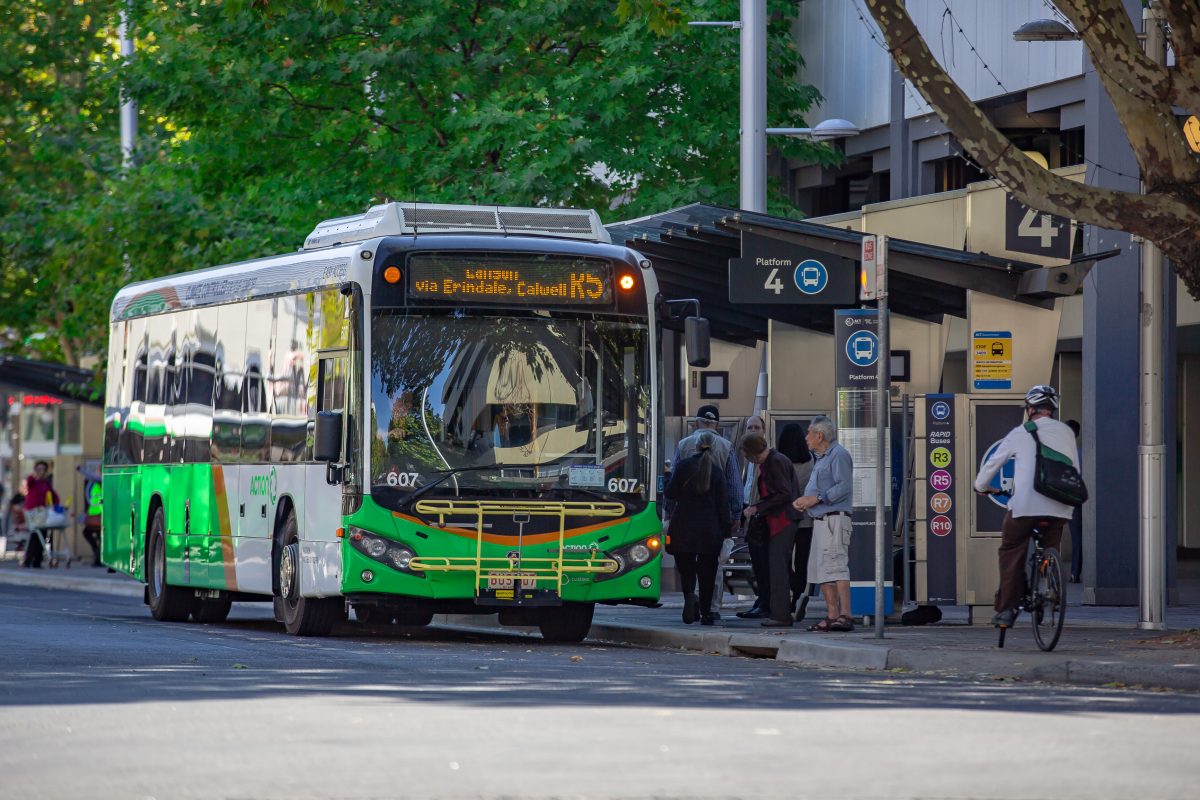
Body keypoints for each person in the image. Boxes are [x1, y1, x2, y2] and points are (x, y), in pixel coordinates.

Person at [974, 385, 1080, 626]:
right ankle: (1052, 581)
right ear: (1052, 409)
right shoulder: (1066, 433)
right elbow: (1075, 470)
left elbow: (992, 465)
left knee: (1011, 550)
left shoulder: (1021, 432)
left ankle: (1007, 610)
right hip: (1060, 504)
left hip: (1025, 506)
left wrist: (980, 487)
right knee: (1051, 540)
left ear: (1030, 409)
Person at [672, 404, 743, 619]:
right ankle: (710, 609)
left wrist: (668, 514)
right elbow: (733, 487)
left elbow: (671, 488)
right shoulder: (726, 447)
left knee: (687, 565)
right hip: (712, 523)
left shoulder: (683, 446)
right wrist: (734, 517)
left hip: (684, 521)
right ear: (717, 425)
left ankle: (689, 597)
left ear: (696, 423)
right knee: (712, 569)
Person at [792, 416, 855, 632]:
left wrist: (816, 498)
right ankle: (832, 615)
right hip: (820, 520)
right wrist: (806, 501)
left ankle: (846, 615)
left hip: (834, 519)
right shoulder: (821, 458)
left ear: (820, 435)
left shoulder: (838, 455)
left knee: (837, 567)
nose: (806, 437)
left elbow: (844, 486)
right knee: (823, 571)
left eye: (809, 433)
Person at [663, 431, 731, 626]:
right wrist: (727, 531)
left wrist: (668, 475)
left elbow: (670, 493)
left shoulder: (684, 466)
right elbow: (723, 505)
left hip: (683, 528)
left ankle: (689, 598)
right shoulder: (717, 472)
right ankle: (706, 613)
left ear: (695, 446)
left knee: (687, 570)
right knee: (708, 572)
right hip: (710, 531)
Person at [740, 433, 800, 628]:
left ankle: (781, 615)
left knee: (778, 569)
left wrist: (757, 507)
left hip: (781, 521)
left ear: (752, 455)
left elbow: (784, 494)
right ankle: (779, 612)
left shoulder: (775, 462)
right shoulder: (775, 460)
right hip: (779, 521)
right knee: (776, 568)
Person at [734, 415, 772, 620]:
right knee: (756, 563)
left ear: (764, 431)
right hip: (749, 512)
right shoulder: (744, 457)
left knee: (764, 562)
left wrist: (756, 508)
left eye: (756, 427)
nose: (753, 430)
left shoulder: (768, 457)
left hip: (761, 515)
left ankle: (766, 601)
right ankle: (762, 599)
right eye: (749, 427)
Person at [777, 423, 815, 622]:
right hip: (807, 518)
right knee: (802, 561)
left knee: (782, 559)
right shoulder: (811, 461)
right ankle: (799, 595)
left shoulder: (781, 461)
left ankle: (791, 591)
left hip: (785, 518)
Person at [21, 461, 57, 569]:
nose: (41, 472)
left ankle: (37, 560)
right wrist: (35, 475)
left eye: (43, 469)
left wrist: (57, 506)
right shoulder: (33, 481)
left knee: (43, 535)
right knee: (35, 535)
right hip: (33, 514)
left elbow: (54, 496)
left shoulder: (45, 484)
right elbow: (29, 482)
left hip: (42, 514)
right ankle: (28, 560)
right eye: (38, 469)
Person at [1066, 419, 1083, 583]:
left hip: (1068, 499)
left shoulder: (1062, 454)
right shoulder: (1083, 453)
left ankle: (1074, 573)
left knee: (1076, 536)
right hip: (1084, 498)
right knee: (1081, 537)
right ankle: (1075, 572)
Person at [79, 465, 103, 567]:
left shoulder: (101, 481)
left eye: (98, 470)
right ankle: (97, 556)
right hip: (94, 514)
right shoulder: (96, 483)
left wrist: (81, 469)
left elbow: (92, 476)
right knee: (93, 535)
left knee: (94, 535)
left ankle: (98, 557)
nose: (97, 472)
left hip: (100, 514)